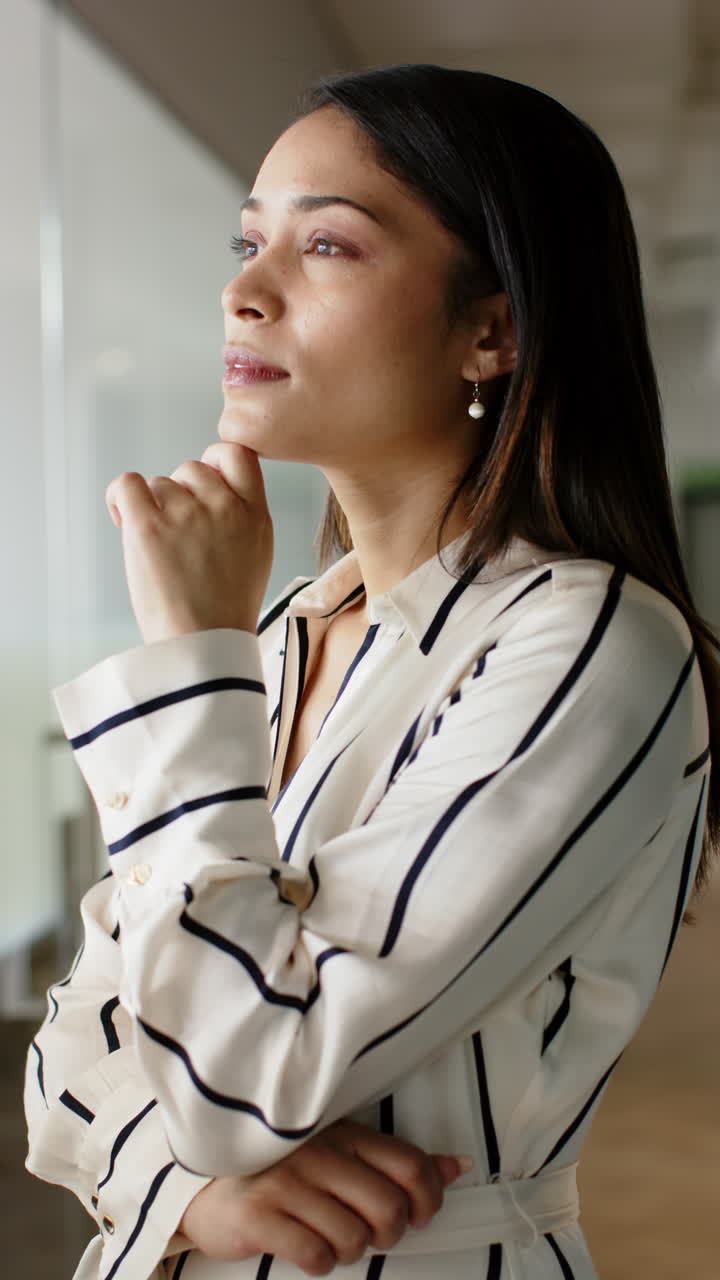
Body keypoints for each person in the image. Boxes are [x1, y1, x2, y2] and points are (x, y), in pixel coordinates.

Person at [24, 63, 719, 1280]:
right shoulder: (285, 626)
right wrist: (186, 1186)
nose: (244, 292)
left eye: (328, 247)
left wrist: (193, 660)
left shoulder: (592, 643)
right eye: (247, 243)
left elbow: (245, 1076)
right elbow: (70, 1049)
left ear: (492, 329)